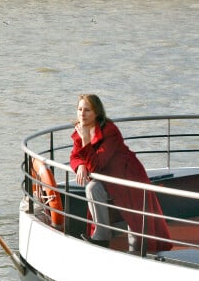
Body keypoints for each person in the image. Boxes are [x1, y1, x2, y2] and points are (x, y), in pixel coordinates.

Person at [69, 94, 172, 252]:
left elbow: (97, 165)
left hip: (126, 175)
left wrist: (86, 142)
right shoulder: (81, 130)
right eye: (79, 109)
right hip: (106, 176)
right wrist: (81, 164)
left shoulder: (109, 131)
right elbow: (75, 156)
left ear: (97, 113)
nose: (82, 113)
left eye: (87, 110)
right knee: (92, 188)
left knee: (134, 216)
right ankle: (101, 236)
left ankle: (138, 250)